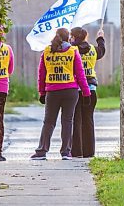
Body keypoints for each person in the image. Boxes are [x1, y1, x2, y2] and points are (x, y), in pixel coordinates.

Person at [30, 28, 91, 160]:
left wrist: (41, 92)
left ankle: (42, 151)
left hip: (52, 92)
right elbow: (81, 74)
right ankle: (65, 152)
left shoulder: (47, 51)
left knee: (49, 122)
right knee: (67, 121)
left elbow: (41, 74)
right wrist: (86, 93)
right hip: (70, 91)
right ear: (68, 38)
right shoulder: (73, 51)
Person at [70, 27, 106, 158]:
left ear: (73, 37)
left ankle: (76, 151)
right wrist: (100, 38)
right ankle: (89, 151)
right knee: (88, 119)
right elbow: (101, 51)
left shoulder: (71, 50)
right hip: (91, 88)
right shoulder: (92, 49)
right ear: (85, 37)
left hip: (75, 88)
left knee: (76, 120)